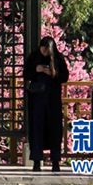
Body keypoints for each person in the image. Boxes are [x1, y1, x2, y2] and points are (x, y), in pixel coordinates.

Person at [23, 36, 68, 172]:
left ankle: (55, 161)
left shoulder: (58, 58)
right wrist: (37, 70)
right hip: (37, 100)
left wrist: (53, 73)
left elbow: (65, 77)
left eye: (47, 50)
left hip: (53, 100)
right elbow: (26, 74)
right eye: (43, 49)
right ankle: (37, 161)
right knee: (37, 129)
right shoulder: (34, 57)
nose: (44, 52)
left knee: (54, 130)